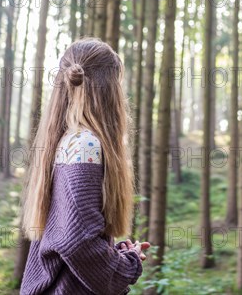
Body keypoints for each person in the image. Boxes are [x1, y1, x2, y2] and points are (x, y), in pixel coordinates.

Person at [20, 38, 150, 294]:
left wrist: (114, 254)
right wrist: (124, 267)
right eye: (117, 84)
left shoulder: (68, 139)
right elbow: (77, 241)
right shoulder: (84, 145)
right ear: (107, 89)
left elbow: (74, 230)